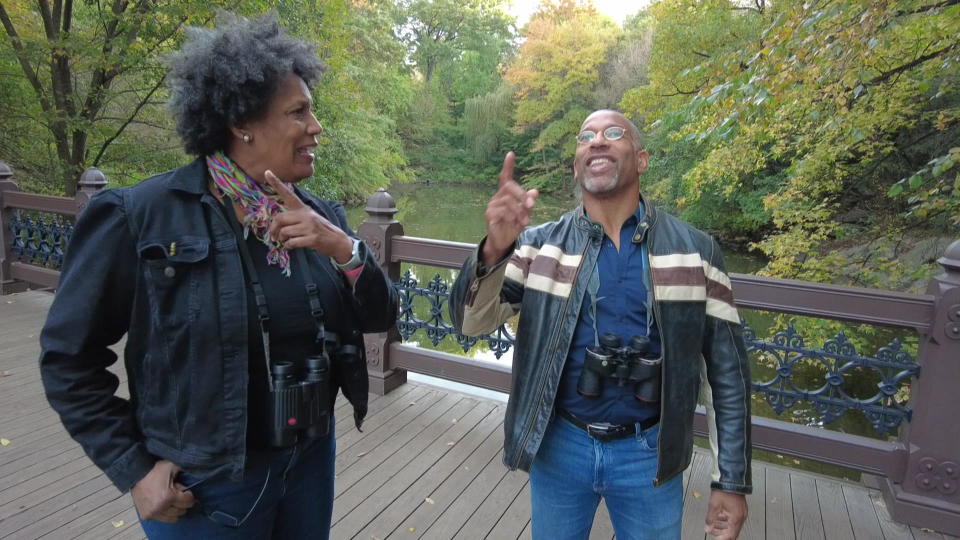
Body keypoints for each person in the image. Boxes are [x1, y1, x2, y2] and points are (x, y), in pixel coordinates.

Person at [38, 14, 398, 539]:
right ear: (241, 124)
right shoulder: (140, 215)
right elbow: (67, 358)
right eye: (299, 112)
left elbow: (381, 314)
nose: (316, 128)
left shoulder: (321, 216)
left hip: (309, 460)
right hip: (205, 484)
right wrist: (132, 468)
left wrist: (342, 247)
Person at [449, 109, 752, 540]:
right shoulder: (539, 247)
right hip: (559, 446)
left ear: (641, 159)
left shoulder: (696, 252)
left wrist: (732, 481)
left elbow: (728, 374)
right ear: (577, 166)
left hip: (651, 453)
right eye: (586, 136)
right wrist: (495, 249)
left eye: (614, 133)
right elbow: (468, 321)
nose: (598, 141)